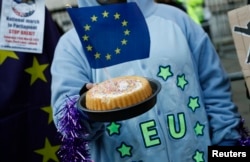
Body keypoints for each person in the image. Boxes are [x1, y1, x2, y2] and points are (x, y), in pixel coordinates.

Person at [51, 0, 242, 161]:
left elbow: (217, 94)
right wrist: (87, 110)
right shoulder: (71, 45)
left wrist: (230, 149)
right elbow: (67, 127)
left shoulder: (177, 20)